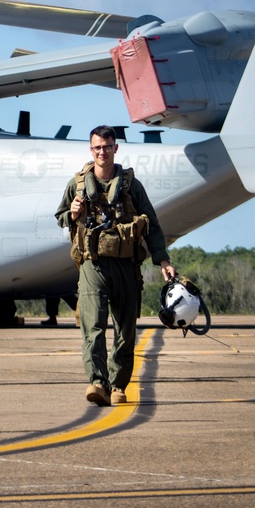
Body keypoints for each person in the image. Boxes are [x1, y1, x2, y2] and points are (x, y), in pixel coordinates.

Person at [55, 125, 176, 407]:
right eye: (97, 147)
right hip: (92, 264)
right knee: (92, 326)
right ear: (91, 149)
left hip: (125, 265)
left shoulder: (131, 185)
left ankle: (118, 385)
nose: (102, 152)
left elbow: (152, 224)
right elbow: (60, 216)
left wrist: (163, 260)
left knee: (125, 328)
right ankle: (97, 382)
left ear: (115, 148)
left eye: (107, 147)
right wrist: (72, 214)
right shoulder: (78, 184)